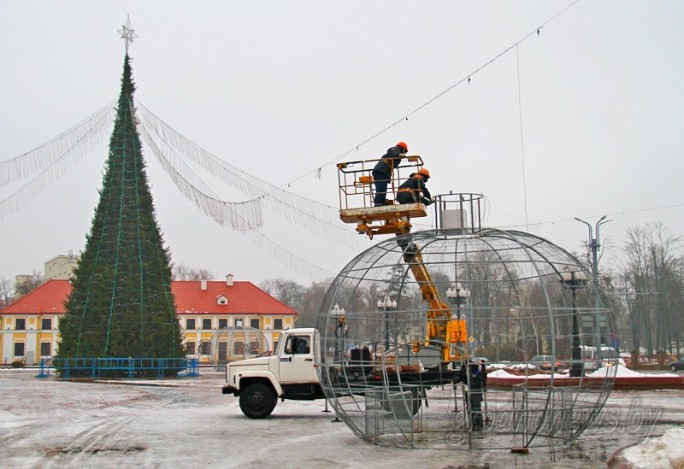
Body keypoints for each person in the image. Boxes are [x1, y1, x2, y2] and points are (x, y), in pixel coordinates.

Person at [372, 141, 408, 206]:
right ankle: (378, 203)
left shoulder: (396, 152)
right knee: (381, 188)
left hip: (382, 171)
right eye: (405, 151)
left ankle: (380, 202)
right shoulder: (395, 149)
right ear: (403, 149)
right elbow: (392, 152)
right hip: (381, 171)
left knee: (382, 188)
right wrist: (399, 155)